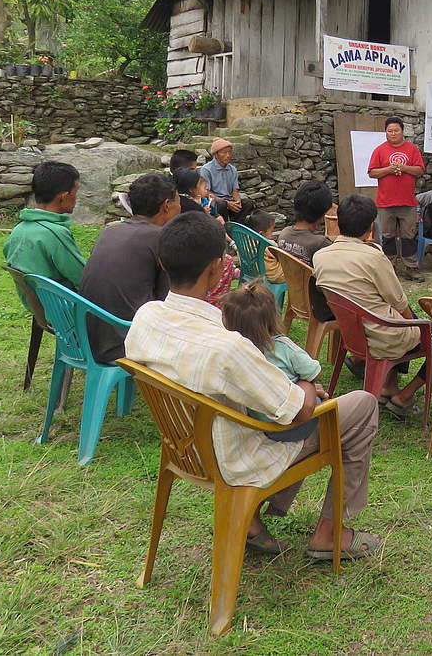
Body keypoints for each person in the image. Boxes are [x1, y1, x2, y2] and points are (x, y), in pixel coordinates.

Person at [124, 211, 381, 559]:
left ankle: (253, 520)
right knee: (361, 405)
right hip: (239, 460)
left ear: (162, 262)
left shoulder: (146, 317)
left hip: (185, 450)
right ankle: (330, 533)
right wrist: (306, 382)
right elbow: (297, 410)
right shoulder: (228, 345)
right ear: (217, 268)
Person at [312, 194, 432, 420]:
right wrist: (415, 324)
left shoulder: (320, 257)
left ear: (338, 223)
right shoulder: (374, 258)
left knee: (390, 315)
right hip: (382, 336)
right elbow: (399, 302)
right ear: (371, 227)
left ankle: (388, 386)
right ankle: (403, 397)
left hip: (353, 334)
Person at [78, 173, 181, 364]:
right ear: (167, 205)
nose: (180, 208)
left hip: (86, 339)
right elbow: (168, 303)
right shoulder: (162, 239)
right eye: (178, 202)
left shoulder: (110, 231)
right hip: (123, 344)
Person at [221, 281, 321, 443]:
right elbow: (315, 372)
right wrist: (305, 384)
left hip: (259, 425)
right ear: (272, 317)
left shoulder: (236, 356)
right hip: (292, 425)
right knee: (321, 397)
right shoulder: (283, 348)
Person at [3, 160, 85, 292]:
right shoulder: (54, 233)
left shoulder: (18, 230)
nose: (76, 198)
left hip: (40, 307)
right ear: (64, 196)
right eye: (75, 192)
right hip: (65, 309)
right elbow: (83, 278)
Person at [367, 116, 425, 280]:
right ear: (385, 132)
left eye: (396, 130)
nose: (393, 134)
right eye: (390, 131)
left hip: (407, 202)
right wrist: (389, 170)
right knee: (387, 236)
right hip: (385, 202)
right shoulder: (379, 150)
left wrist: (404, 168)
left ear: (402, 131)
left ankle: (411, 267)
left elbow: (420, 170)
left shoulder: (412, 149)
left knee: (408, 237)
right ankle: (389, 267)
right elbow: (372, 172)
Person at [275, 181, 335, 321]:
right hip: (321, 308)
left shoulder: (284, 234)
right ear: (323, 213)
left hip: (298, 301)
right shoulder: (320, 243)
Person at [200, 138, 253, 224]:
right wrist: (226, 203)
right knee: (221, 204)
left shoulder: (232, 169)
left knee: (248, 204)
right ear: (216, 154)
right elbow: (206, 192)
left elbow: (235, 190)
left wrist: (237, 202)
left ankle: (236, 225)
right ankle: (224, 228)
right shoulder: (206, 169)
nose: (228, 155)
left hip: (228, 200)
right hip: (214, 202)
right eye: (224, 153)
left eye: (229, 152)